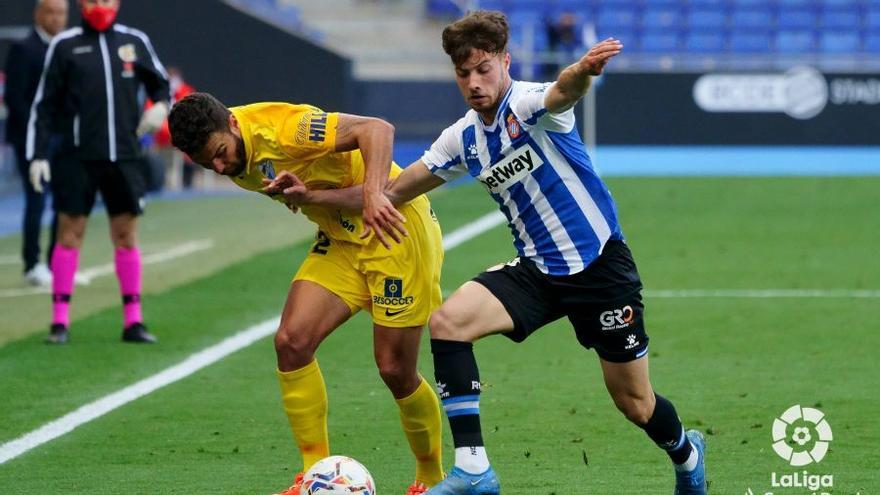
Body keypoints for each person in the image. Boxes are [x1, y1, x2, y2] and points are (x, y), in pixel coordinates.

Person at [266, 11, 708, 495]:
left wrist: (582, 71)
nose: (474, 83)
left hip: (600, 268)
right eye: (463, 73)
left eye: (483, 69)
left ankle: (687, 455)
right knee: (448, 323)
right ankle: (474, 469)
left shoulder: (530, 105)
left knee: (635, 403)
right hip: (537, 271)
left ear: (505, 62)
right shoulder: (462, 139)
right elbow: (390, 192)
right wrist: (310, 197)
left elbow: (563, 90)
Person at [167, 92, 445, 495]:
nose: (220, 166)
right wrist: (309, 197)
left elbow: (377, 129)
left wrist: (370, 195)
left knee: (394, 369)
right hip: (343, 238)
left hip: (395, 233)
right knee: (292, 342)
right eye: (207, 163)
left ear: (231, 123)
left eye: (221, 154)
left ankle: (431, 480)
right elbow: (311, 191)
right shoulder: (232, 158)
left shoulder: (286, 130)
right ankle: (314, 476)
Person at [27, 0, 169, 344]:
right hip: (77, 158)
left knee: (125, 235)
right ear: (81, 3)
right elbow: (44, 104)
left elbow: (161, 85)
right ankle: (59, 322)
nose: (99, 5)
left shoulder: (134, 41)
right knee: (69, 234)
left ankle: (132, 321)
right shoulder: (65, 45)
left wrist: (161, 108)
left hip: (124, 156)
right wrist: (38, 154)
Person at [3, 0, 69, 287]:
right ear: (38, 14)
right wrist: (37, 128)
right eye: (51, 13)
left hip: (62, 138)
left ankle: (57, 262)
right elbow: (15, 98)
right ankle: (32, 263)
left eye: (61, 14)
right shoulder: (23, 49)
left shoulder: (68, 48)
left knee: (63, 201)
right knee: (37, 198)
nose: (56, 19)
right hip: (30, 140)